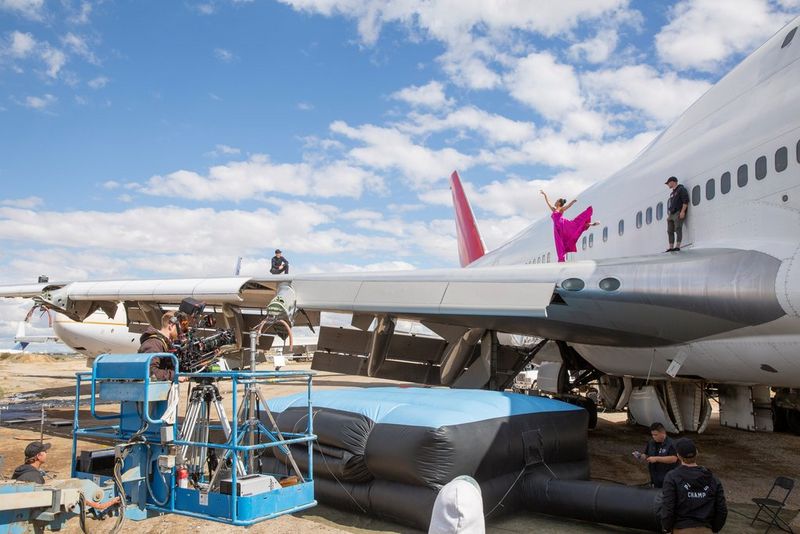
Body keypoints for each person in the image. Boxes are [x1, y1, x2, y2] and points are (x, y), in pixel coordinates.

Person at [12, 441, 122, 511]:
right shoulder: (34, 478)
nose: (47, 453)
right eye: (45, 451)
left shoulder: (20, 471)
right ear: (38, 456)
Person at [660, 438, 727, 533]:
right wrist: (714, 529)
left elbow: (668, 507)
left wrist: (666, 528)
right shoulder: (713, 479)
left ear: (678, 455)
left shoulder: (672, 477)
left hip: (681, 529)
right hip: (706, 529)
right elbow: (722, 509)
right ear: (697, 453)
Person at [540, 190, 599, 262]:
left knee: (576, 225)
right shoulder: (554, 209)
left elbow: (567, 206)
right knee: (559, 244)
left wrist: (572, 202)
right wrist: (545, 195)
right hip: (557, 229)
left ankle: (590, 223)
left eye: (556, 201)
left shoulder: (561, 209)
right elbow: (548, 203)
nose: (555, 202)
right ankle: (561, 259)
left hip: (563, 225)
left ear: (559, 203)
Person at [138, 311, 186, 382]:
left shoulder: (164, 344)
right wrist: (174, 375)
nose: (181, 332)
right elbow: (150, 372)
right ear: (171, 325)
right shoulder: (154, 343)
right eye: (179, 328)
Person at [633, 422, 679, 488]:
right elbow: (647, 454)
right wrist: (641, 456)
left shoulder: (671, 443)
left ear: (663, 433)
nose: (653, 437)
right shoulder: (651, 443)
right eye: (652, 435)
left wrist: (656, 459)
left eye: (656, 435)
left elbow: (674, 459)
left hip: (668, 478)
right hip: (655, 477)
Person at [665, 176, 689, 252]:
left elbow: (685, 201)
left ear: (672, 182)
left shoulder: (681, 189)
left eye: (668, 183)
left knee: (678, 228)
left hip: (678, 212)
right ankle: (671, 247)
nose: (668, 185)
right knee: (669, 231)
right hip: (671, 214)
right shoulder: (672, 193)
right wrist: (669, 215)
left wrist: (682, 211)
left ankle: (677, 246)